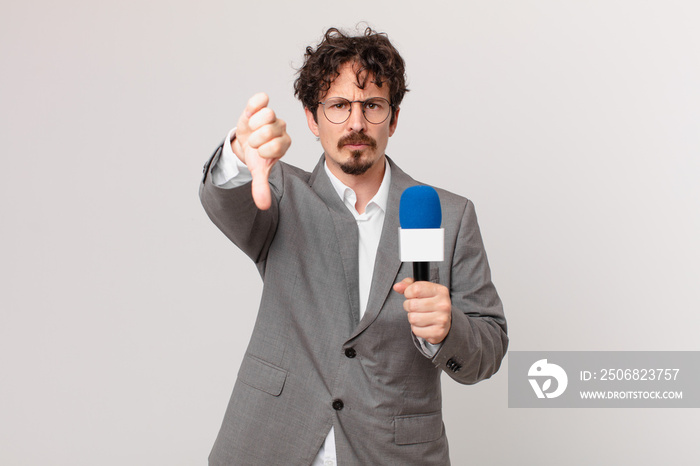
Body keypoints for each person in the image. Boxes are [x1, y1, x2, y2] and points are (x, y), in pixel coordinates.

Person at [199, 26, 507, 466]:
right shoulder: (281, 193)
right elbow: (222, 199)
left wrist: (447, 329)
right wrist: (237, 155)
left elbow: (489, 347)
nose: (357, 123)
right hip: (271, 444)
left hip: (393, 453)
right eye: (339, 106)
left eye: (373, 106)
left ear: (394, 118)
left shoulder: (450, 215)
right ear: (312, 117)